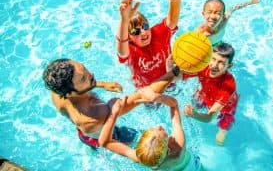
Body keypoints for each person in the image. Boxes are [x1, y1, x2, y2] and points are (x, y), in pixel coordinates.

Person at [43, 58, 179, 149]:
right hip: (108, 135)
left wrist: (101, 84)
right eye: (84, 77)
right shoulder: (94, 115)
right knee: (151, 146)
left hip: (84, 134)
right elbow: (142, 95)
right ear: (69, 93)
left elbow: (81, 86)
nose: (91, 73)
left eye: (84, 68)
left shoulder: (58, 92)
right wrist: (174, 72)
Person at [99, 90, 201, 170]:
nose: (159, 127)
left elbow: (104, 142)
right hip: (191, 166)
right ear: (168, 148)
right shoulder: (179, 147)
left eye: (155, 129)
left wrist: (114, 114)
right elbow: (174, 105)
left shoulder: (142, 158)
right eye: (163, 133)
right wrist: (157, 97)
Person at [116, 0, 186, 88]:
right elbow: (121, 52)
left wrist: (175, 0)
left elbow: (171, 22)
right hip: (148, 90)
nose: (143, 33)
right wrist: (124, 20)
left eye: (145, 26)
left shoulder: (157, 33)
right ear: (129, 37)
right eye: (136, 32)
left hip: (169, 80)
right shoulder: (130, 49)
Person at [182, 43, 239, 145]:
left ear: (229, 66)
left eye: (221, 62)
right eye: (213, 59)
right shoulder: (204, 67)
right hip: (206, 95)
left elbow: (209, 117)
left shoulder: (229, 85)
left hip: (225, 107)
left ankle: (223, 131)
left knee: (223, 128)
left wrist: (194, 114)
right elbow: (181, 75)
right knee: (195, 98)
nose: (214, 65)